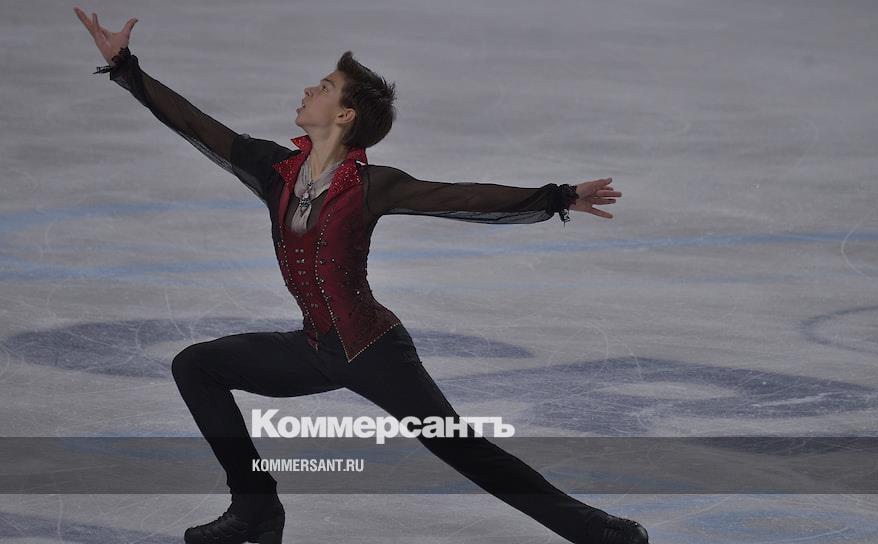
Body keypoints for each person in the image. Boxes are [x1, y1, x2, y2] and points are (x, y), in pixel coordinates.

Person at [75, 7, 647, 544]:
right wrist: (126, 67)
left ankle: (597, 532)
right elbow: (197, 125)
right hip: (315, 347)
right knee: (196, 365)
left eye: (324, 87)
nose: (309, 89)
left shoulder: (373, 186)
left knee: (464, 449)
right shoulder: (276, 169)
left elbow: (462, 196)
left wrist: (557, 196)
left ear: (344, 116)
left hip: (374, 349)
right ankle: (255, 506)